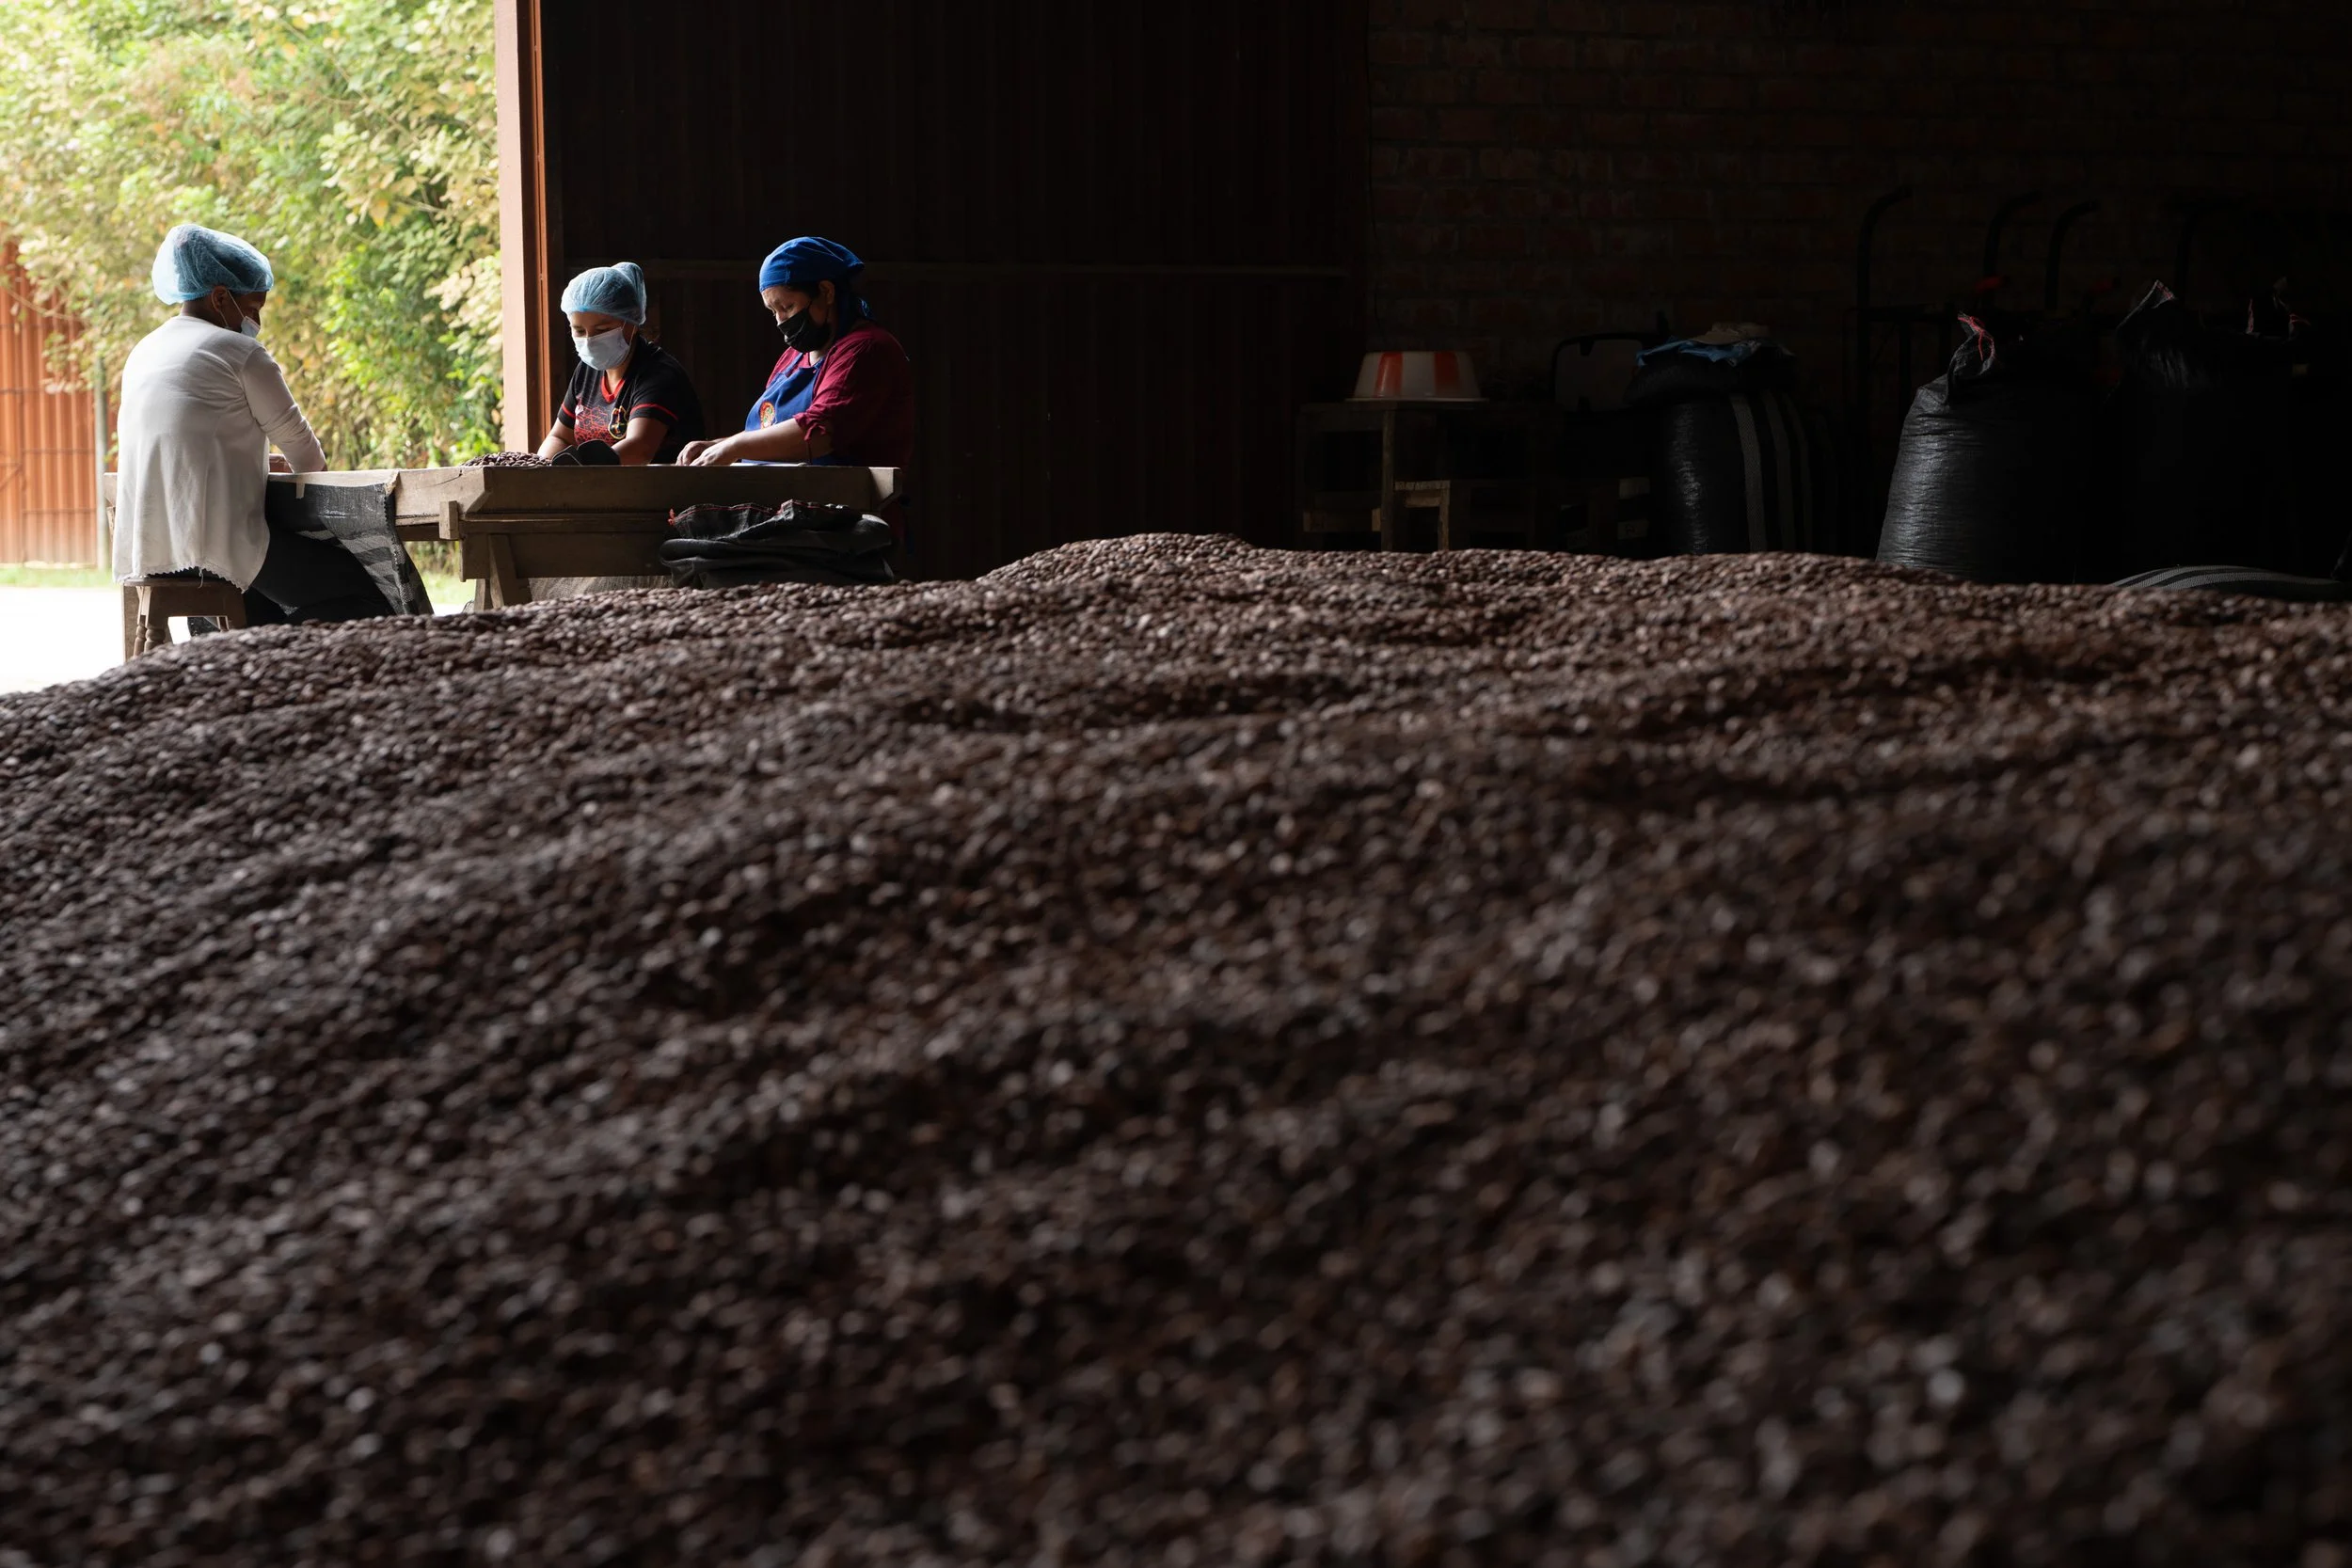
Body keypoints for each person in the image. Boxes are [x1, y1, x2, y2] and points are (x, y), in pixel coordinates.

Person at [114, 224, 393, 626]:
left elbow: (192, 442)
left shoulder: (145, 351)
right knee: (366, 592)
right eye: (253, 307)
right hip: (217, 550)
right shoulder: (238, 351)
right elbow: (308, 457)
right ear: (220, 297)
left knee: (268, 604)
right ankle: (293, 670)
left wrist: (258, 464)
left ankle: (250, 661)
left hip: (153, 550)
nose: (255, 320)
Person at [677, 237, 914, 472]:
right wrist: (718, 446)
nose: (780, 321)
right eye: (773, 311)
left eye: (787, 307)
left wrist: (734, 447)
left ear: (826, 291)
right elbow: (767, 434)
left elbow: (820, 432)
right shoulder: (793, 358)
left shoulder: (866, 350)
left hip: (838, 503)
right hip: (780, 497)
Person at [538, 262, 705, 466]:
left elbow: (639, 448)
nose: (589, 341)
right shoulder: (587, 371)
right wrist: (543, 469)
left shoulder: (658, 374)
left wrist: (578, 475)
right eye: (579, 331)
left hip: (659, 493)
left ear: (632, 323)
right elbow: (560, 437)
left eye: (602, 330)